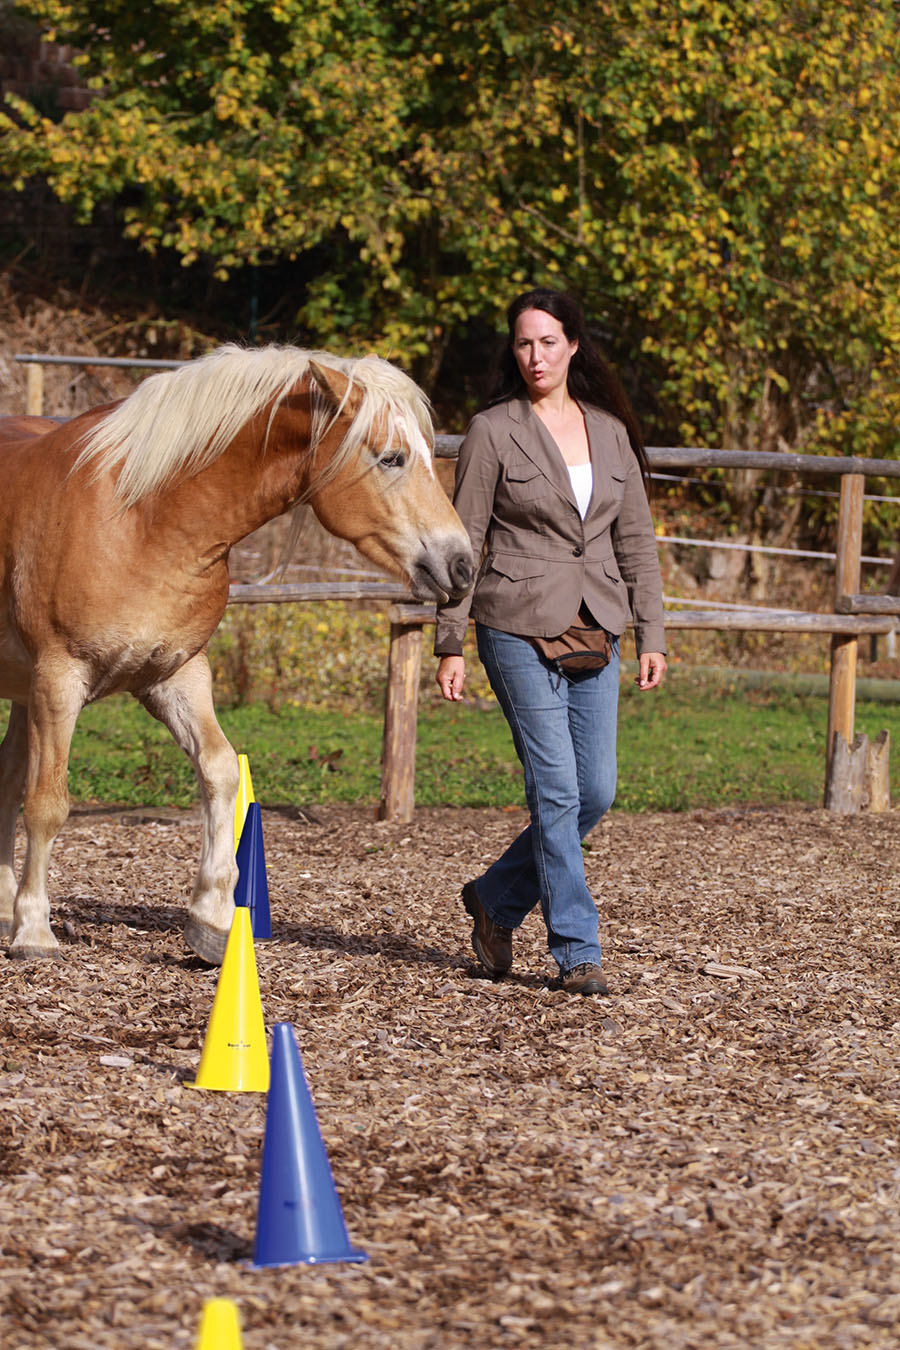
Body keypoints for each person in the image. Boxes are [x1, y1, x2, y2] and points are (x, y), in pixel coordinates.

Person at [435, 288, 666, 996]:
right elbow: (463, 538)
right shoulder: (493, 430)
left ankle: (496, 900)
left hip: (598, 620)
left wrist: (653, 629)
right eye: (523, 343)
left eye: (547, 342)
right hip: (513, 621)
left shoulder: (609, 432)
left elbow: (636, 540)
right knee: (557, 789)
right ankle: (577, 949)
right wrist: (450, 637)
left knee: (595, 789)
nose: (534, 355)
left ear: (573, 346)